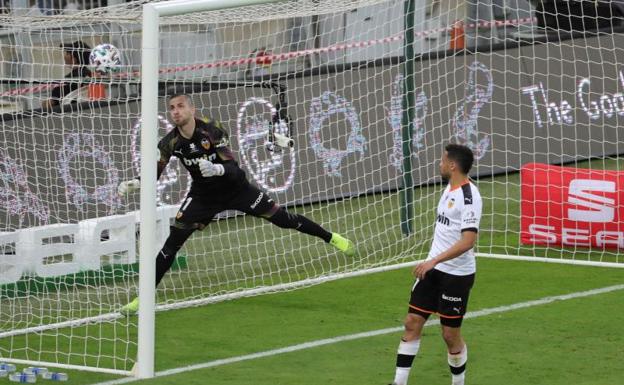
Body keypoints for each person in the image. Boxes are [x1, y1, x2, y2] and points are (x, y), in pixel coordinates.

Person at [117, 93, 356, 315]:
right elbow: (155, 172)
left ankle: (332, 238)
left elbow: (232, 168)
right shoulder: (169, 142)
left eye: (180, 106)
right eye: (171, 108)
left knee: (283, 220)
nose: (175, 111)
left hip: (237, 190)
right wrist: (136, 183)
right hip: (203, 197)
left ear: (192, 109)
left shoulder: (212, 129)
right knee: (171, 245)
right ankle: (143, 300)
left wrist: (217, 168)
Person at [389, 143, 482, 385]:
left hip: (456, 275)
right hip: (433, 270)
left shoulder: (469, 197)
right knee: (412, 322)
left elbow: (468, 241)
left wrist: (434, 260)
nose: (439, 164)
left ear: (452, 165)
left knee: (450, 335)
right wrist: (432, 262)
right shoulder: (449, 188)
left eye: (442, 160)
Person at [42, 40, 92, 110]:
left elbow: (51, 104)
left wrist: (44, 103)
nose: (64, 55)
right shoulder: (91, 76)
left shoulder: (67, 81)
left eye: (67, 53)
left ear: (74, 59)